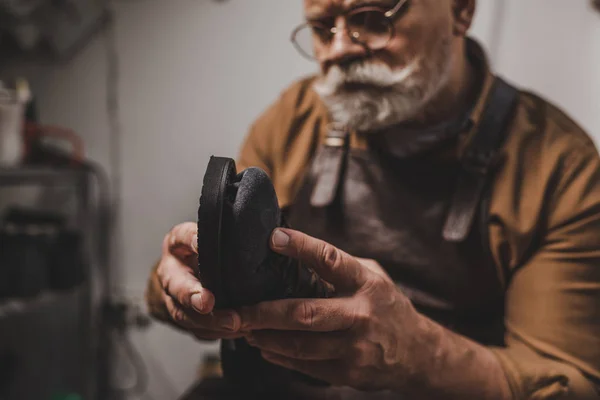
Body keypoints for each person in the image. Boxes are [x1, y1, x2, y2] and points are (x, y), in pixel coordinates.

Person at [145, 0, 600, 398]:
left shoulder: (560, 167)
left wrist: (421, 354)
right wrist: (185, 283)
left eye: (372, 16)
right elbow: (188, 288)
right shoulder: (297, 116)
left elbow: (569, 384)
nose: (339, 49)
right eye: (323, 28)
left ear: (460, 9)